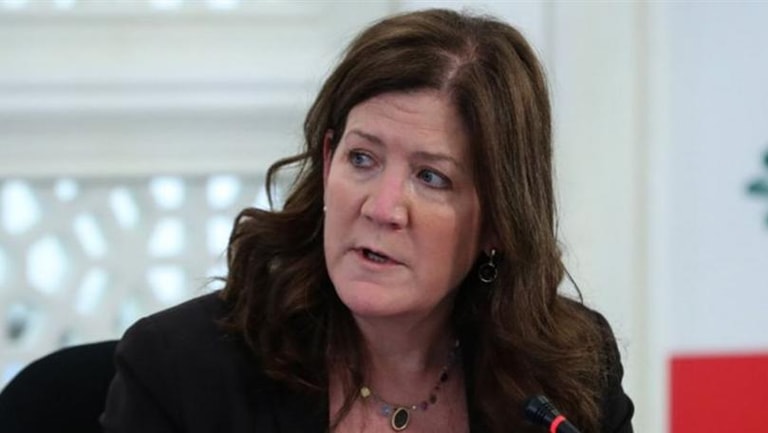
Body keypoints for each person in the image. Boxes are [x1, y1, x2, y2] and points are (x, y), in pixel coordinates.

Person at [101, 8, 634, 433]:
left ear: (498, 218)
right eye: (362, 159)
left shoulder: (567, 377)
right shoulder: (182, 371)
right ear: (327, 160)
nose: (382, 208)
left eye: (431, 177)